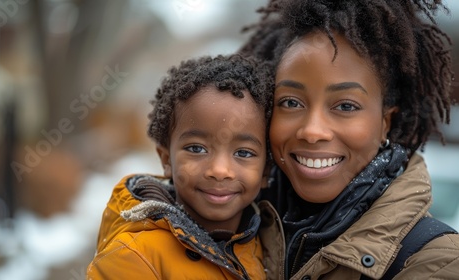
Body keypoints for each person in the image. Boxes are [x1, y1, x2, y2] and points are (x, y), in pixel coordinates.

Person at [238, 0, 459, 279]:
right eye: (291, 102)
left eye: (345, 106)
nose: (312, 131)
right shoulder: (231, 220)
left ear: (384, 123)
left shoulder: (437, 261)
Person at [86, 54, 278, 279]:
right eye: (197, 149)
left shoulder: (268, 246)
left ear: (265, 170)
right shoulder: (134, 257)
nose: (219, 170)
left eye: (243, 153)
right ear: (166, 159)